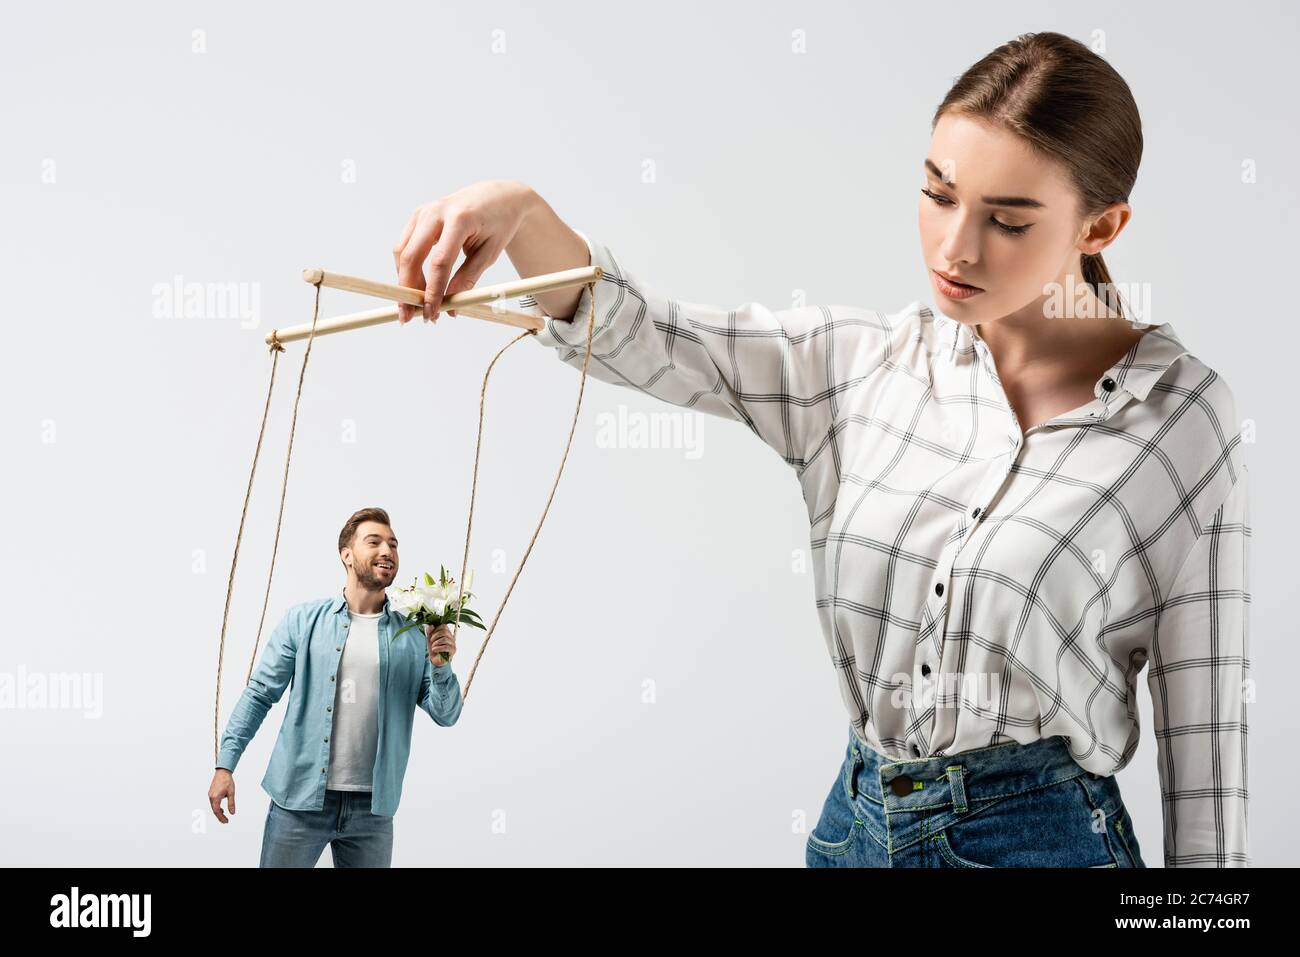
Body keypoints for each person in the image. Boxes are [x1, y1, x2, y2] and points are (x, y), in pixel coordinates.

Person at [390, 32, 1249, 868]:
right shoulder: (861, 367)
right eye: (938, 193)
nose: (955, 247)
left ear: (1102, 226)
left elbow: (1206, 739)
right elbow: (649, 335)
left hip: (1044, 839)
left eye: (1008, 220)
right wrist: (521, 212)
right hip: (853, 830)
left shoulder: (1181, 421)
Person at [207, 507, 462, 867]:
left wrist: (441, 667)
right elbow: (260, 694)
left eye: (393, 544)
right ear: (346, 554)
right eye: (373, 541)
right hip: (299, 800)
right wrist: (225, 765)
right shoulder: (302, 621)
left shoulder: (412, 636)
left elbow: (446, 715)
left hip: (372, 811)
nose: (387, 551)